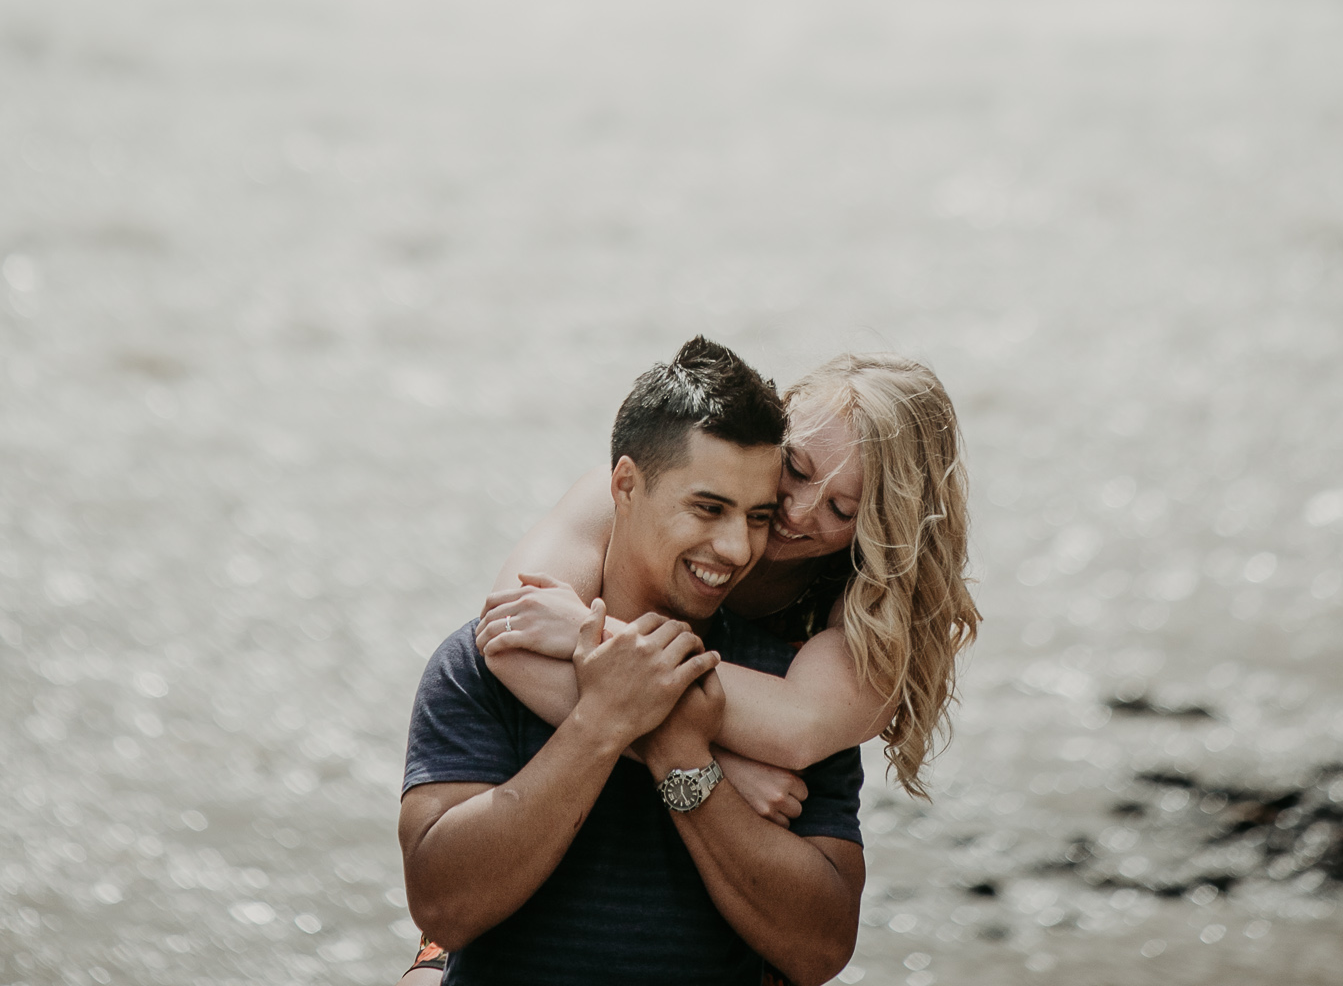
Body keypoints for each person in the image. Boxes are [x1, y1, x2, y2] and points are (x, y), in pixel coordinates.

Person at [398, 338, 866, 986]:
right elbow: (443, 910)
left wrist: (684, 755)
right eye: (707, 508)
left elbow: (819, 952)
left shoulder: (780, 685)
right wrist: (602, 723)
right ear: (623, 485)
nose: (735, 548)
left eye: (757, 517)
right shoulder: (492, 657)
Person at [474, 350, 978, 811]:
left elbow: (795, 731)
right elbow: (510, 636)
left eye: (842, 509)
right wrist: (716, 768)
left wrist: (589, 632)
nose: (797, 513)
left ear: (889, 528)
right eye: (796, 470)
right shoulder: (630, 499)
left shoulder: (879, 603)